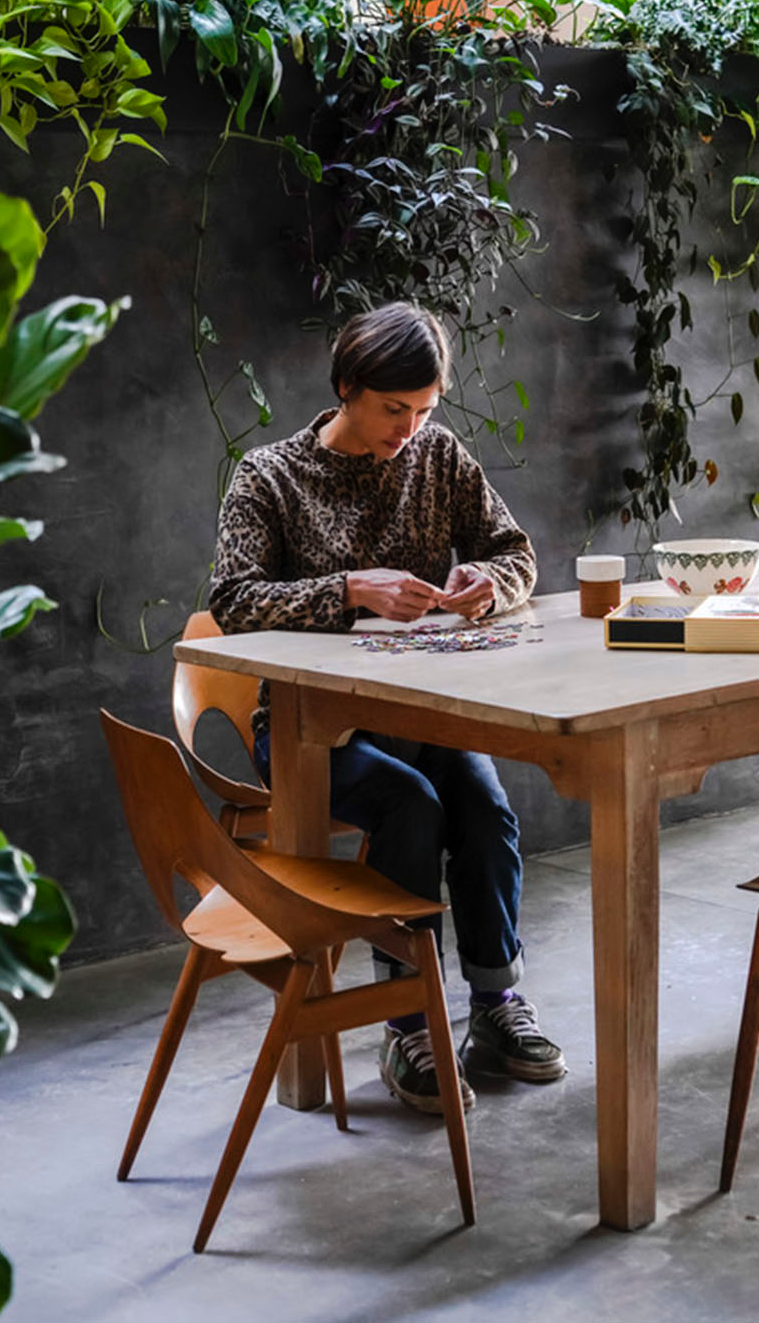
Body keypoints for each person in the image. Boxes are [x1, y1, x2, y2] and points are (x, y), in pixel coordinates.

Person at [207, 301, 565, 1115]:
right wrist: (347, 589)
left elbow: (516, 551)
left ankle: (496, 1006)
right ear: (346, 388)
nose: (409, 428)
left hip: (419, 713)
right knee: (411, 806)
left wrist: (487, 588)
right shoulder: (269, 476)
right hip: (302, 732)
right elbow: (230, 600)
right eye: (392, 409)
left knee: (484, 809)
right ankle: (407, 1026)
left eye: (425, 410)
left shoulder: (437, 456)